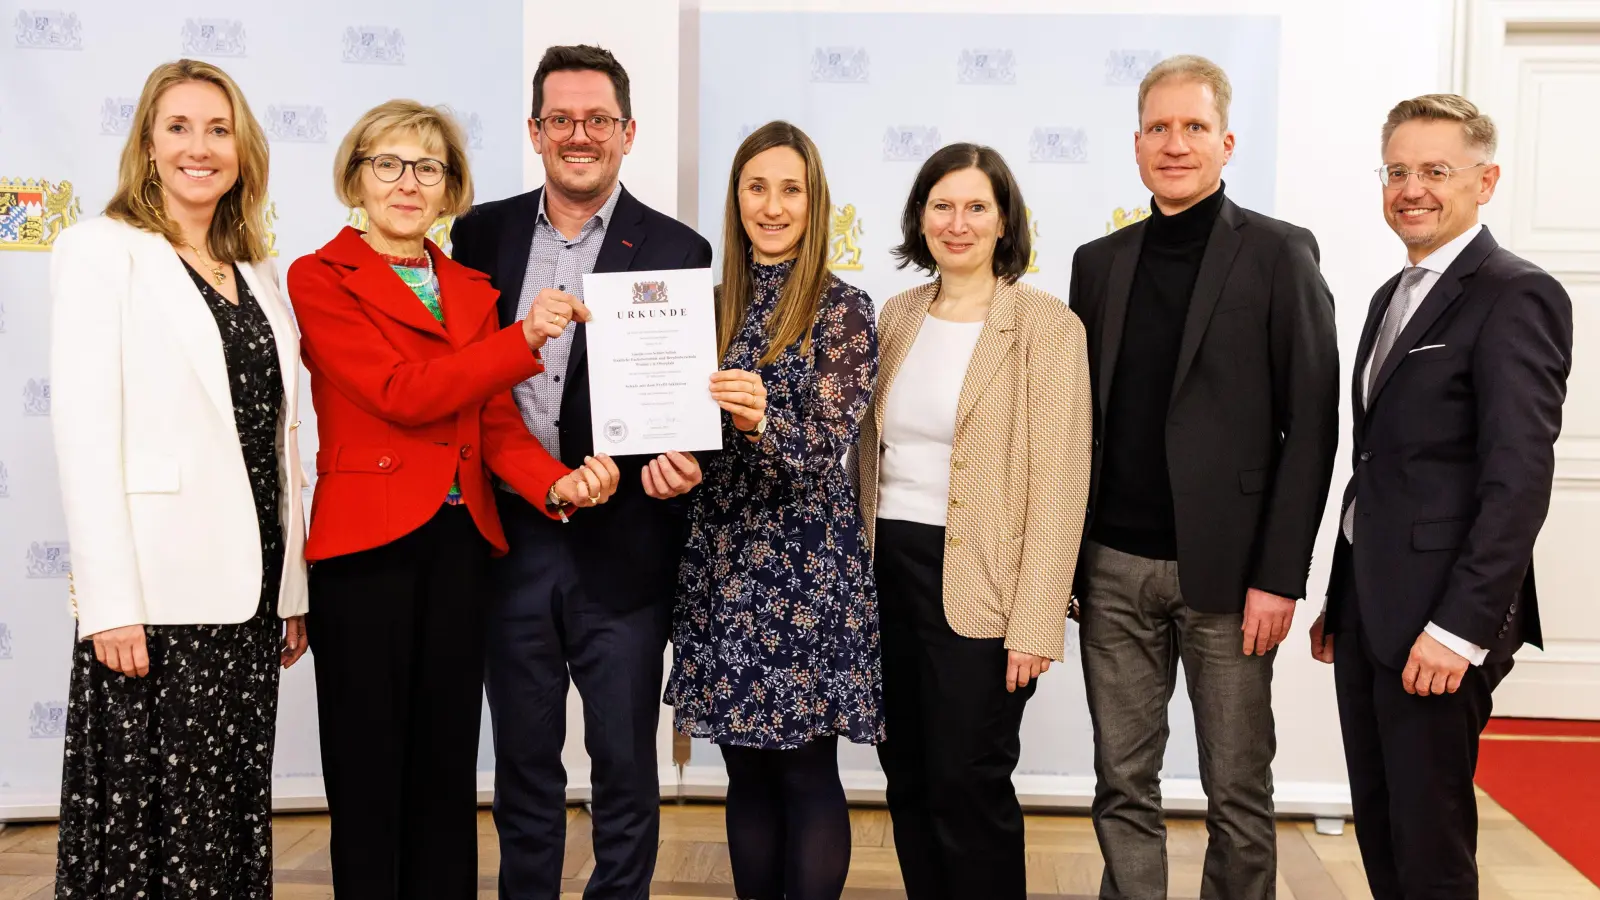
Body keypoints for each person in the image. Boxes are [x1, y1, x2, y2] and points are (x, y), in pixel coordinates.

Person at [286, 100, 620, 899]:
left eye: (428, 168)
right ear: (356, 177)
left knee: (445, 777)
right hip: (365, 552)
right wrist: (523, 341)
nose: (409, 183)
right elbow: (402, 393)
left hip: (461, 546)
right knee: (370, 779)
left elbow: (496, 422)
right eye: (389, 164)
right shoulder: (317, 275)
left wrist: (558, 486)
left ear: (449, 188)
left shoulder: (468, 286)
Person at [1067, 54, 1340, 899]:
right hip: (1112, 569)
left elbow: (1313, 426)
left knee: (1238, 790)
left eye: (1192, 127)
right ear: (1136, 144)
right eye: (1158, 128)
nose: (1174, 143)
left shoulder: (1279, 254)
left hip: (1230, 577)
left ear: (1226, 142)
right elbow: (1080, 426)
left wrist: (1279, 576)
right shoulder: (1098, 262)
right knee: (1122, 783)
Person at [447, 44, 713, 898]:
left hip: (626, 542)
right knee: (524, 771)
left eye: (598, 119)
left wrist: (685, 464)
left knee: (625, 772)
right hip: (511, 541)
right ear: (533, 131)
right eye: (560, 119)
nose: (579, 135)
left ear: (629, 133)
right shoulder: (477, 235)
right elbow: (463, 378)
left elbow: (685, 393)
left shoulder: (678, 246)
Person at [47, 58, 308, 898]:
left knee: (229, 809)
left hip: (252, 591)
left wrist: (292, 587)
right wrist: (110, 603)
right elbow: (85, 436)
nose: (201, 147)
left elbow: (277, 440)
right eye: (179, 128)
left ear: (243, 149)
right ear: (149, 147)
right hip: (155, 600)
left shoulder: (259, 272)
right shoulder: (100, 251)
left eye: (219, 129)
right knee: (149, 822)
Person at [1310, 94, 1571, 900]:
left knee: (1431, 848)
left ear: (1486, 180)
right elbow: (1385, 463)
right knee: (1383, 829)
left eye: (1435, 170)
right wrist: (1342, 597)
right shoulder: (1394, 293)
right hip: (1372, 617)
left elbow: (1517, 479)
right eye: (1396, 171)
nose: (1410, 188)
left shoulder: (1515, 294)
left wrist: (1459, 630)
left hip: (1438, 629)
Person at [855, 143, 1091, 899]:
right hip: (887, 574)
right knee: (908, 777)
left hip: (983, 586)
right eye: (942, 206)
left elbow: (1061, 482)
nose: (958, 223)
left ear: (1004, 220)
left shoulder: (1047, 326)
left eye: (976, 207)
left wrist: (1036, 619)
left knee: (969, 782)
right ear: (921, 218)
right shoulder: (895, 316)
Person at [664, 119, 882, 900]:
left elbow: (820, 456)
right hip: (720, 569)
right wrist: (665, 462)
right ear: (736, 198)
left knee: (803, 768)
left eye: (790, 188)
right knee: (744, 769)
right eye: (756, 187)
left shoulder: (843, 310)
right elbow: (680, 438)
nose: (772, 205)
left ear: (814, 201)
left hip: (807, 574)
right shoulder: (704, 306)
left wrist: (759, 418)